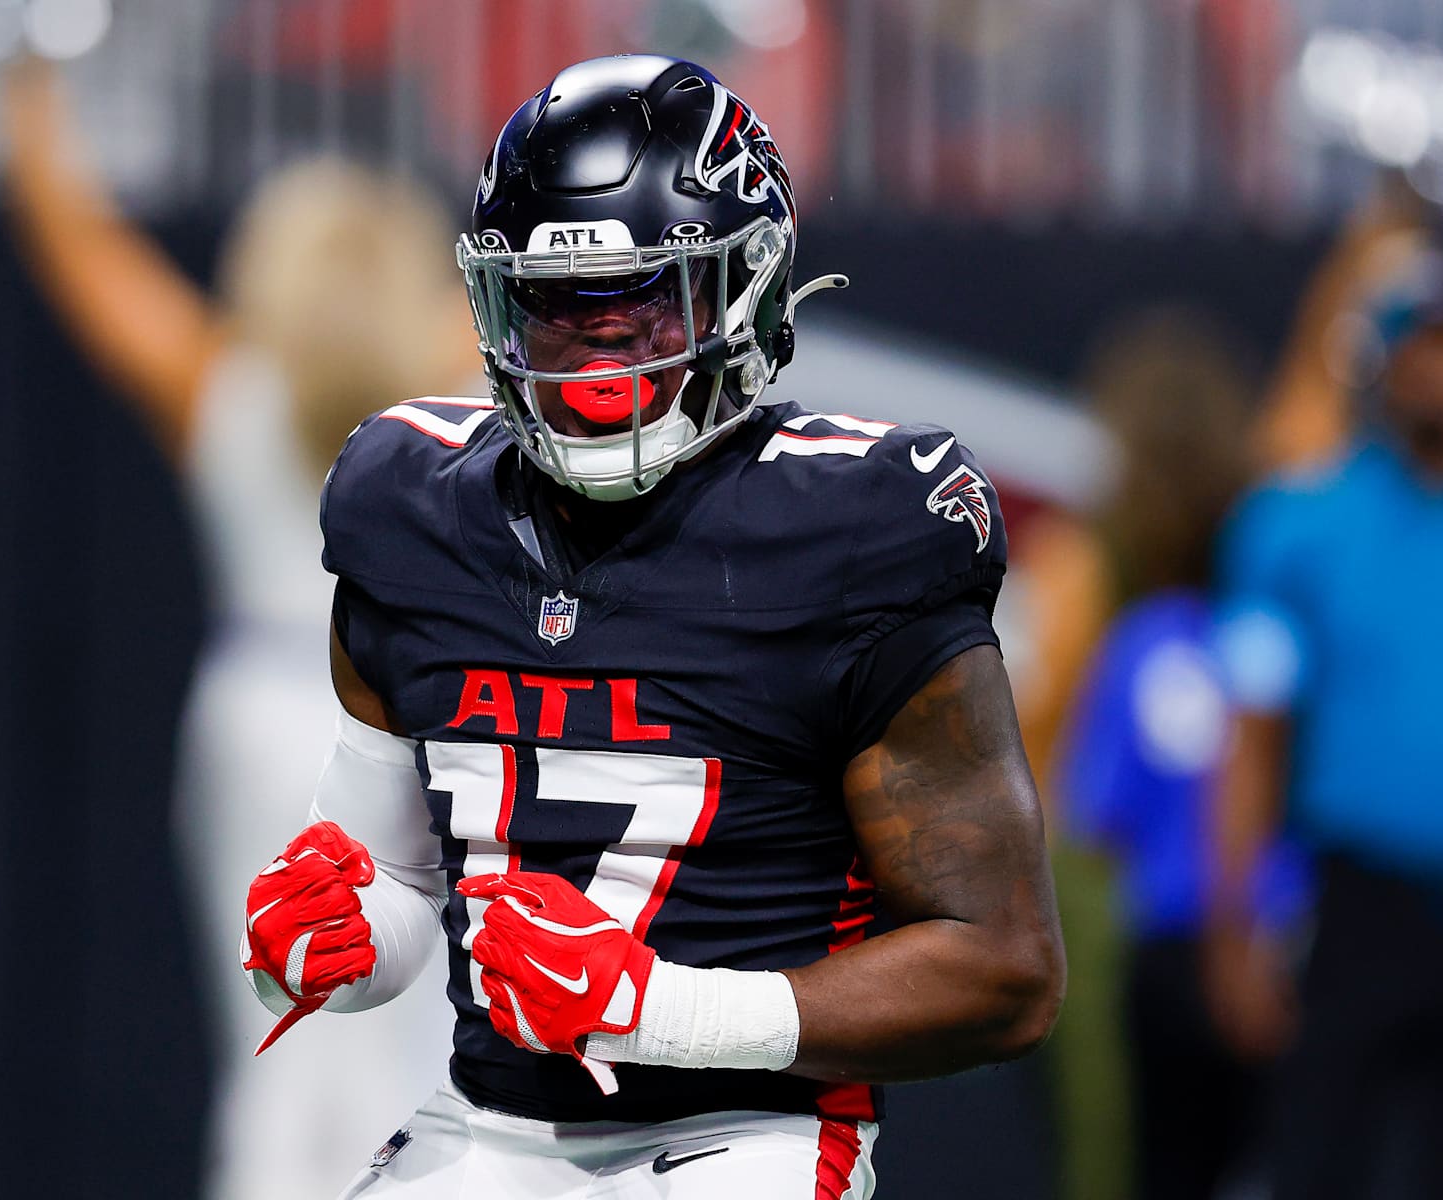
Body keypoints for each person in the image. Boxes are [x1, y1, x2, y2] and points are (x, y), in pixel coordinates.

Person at [238, 54, 1066, 1199]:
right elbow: (392, 881)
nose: (597, 357)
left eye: (640, 304)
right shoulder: (409, 508)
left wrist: (656, 1008)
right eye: (557, 306)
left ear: (747, 291)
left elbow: (1004, 970)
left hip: (750, 1131)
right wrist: (326, 940)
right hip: (492, 1121)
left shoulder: (856, 528)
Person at [0, 59, 475, 1200]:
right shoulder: (453, 394)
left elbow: (84, 252)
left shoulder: (222, 388)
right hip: (409, 727)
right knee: (410, 1037)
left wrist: (27, 88)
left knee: (273, 1038)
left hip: (258, 718)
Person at [1207, 237, 1443, 1199]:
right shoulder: (1298, 525)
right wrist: (1235, 923)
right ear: (1380, 358)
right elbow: (1252, 738)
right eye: (1424, 343)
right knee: (1319, 1161)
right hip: (1358, 906)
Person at [1059, 311, 1309, 1200]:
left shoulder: (1139, 644)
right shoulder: (1277, 641)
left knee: (1167, 1167)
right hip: (1281, 942)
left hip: (1166, 944)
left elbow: (1097, 816)